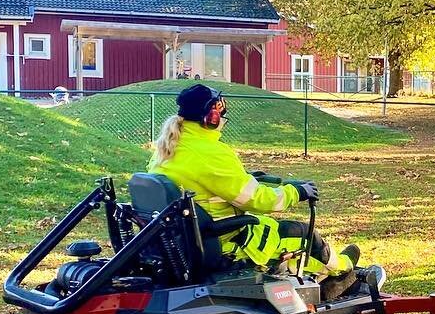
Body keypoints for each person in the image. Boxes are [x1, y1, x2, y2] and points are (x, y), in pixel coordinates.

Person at [149, 83, 361, 300]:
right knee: (305, 235)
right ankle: (343, 271)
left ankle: (311, 279)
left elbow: (208, 182)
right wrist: (296, 192)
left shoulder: (170, 147)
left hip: (183, 244)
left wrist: (245, 175)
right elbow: (257, 200)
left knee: (287, 236)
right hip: (225, 241)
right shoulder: (210, 153)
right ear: (211, 117)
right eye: (220, 108)